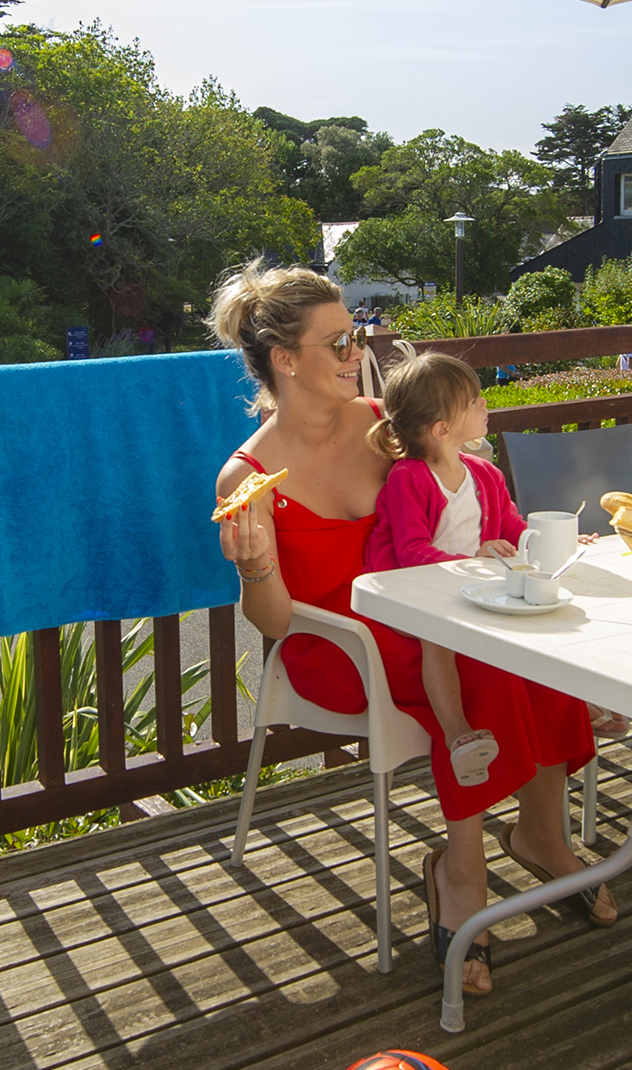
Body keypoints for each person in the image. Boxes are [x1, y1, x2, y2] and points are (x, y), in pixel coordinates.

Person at [209, 264, 607, 1000]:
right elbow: (272, 623)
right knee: (484, 660)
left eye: (353, 335)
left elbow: (431, 502)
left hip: (421, 609)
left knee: (533, 645)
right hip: (337, 644)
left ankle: (540, 833)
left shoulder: (377, 424)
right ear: (285, 360)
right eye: (335, 342)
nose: (355, 351)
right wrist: (256, 565)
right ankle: (459, 872)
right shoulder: (246, 477)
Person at [358, 352, 606, 990]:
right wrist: (475, 558)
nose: (484, 408)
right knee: (483, 669)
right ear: (441, 426)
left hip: (480, 612)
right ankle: (461, 747)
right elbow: (412, 555)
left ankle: (540, 836)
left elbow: (514, 528)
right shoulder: (410, 482)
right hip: (420, 618)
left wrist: (551, 544)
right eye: (473, 401)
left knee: (551, 668)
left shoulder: (481, 474)